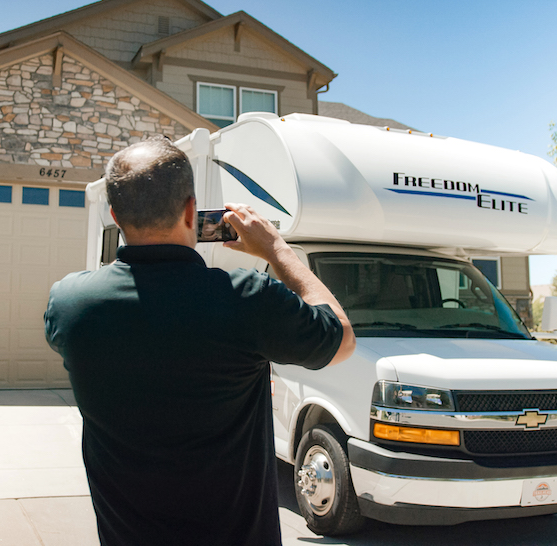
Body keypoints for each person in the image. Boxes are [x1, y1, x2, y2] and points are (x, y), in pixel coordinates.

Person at [44, 135, 355, 546]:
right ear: (192, 209)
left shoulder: (69, 303)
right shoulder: (246, 298)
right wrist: (277, 249)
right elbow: (342, 339)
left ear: (116, 215)